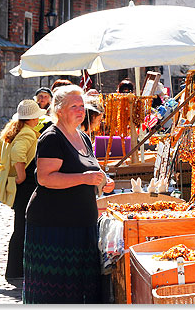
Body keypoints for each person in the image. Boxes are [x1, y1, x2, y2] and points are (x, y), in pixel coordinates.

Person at [23, 85, 115, 304]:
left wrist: (104, 179)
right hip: (54, 226)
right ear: (59, 109)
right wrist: (84, 178)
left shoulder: (83, 137)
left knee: (80, 287)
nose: (80, 110)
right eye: (74, 106)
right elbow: (45, 178)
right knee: (55, 290)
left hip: (82, 224)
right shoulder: (52, 138)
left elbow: (91, 167)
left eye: (82, 105)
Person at [0, 100, 46, 281]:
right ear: (33, 118)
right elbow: (18, 154)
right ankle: (17, 270)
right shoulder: (27, 133)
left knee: (20, 227)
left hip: (21, 186)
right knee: (22, 228)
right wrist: (19, 175)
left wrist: (0, 167)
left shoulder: (14, 130)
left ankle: (16, 270)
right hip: (25, 185)